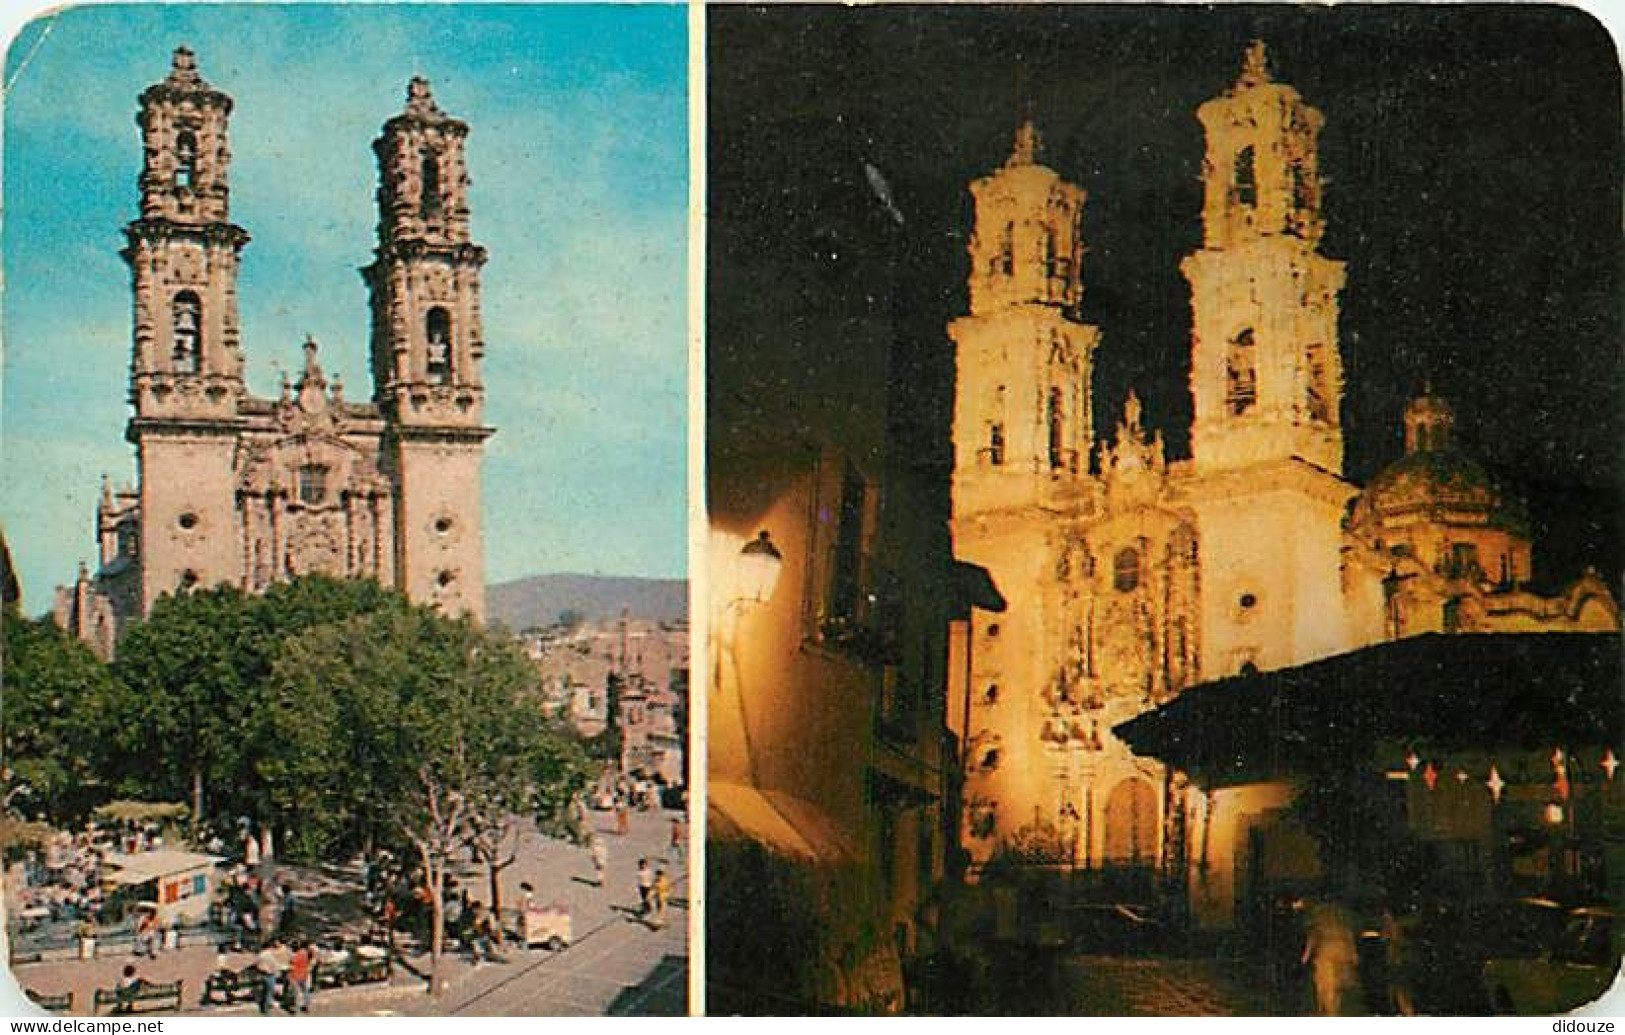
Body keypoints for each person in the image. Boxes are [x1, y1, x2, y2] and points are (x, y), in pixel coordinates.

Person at [1302, 900, 1359, 1017]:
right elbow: (1349, 934)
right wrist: (1353, 954)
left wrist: (1306, 955)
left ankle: (1329, 1011)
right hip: (1342, 953)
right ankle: (1332, 1011)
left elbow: (1313, 937)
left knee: (1326, 984)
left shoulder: (1318, 916)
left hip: (1326, 953)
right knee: (1336, 986)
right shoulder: (1341, 918)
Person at [255, 938, 285, 1015]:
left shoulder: (260, 954)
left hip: (262, 975)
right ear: (269, 947)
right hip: (270, 975)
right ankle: (266, 1010)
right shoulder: (270, 954)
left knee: (264, 992)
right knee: (269, 993)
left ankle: (263, 1008)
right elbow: (275, 965)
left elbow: (257, 965)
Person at [286, 940, 314, 1014]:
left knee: (296, 992)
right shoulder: (308, 953)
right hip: (304, 974)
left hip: (295, 975)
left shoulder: (299, 954)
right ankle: (307, 1006)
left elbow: (292, 962)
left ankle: (295, 1009)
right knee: (305, 991)